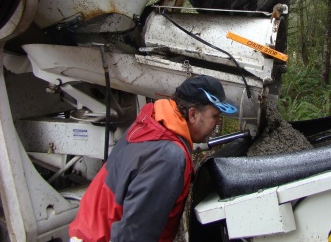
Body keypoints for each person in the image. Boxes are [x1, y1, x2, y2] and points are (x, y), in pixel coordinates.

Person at [69, 75, 237, 242]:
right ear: (192, 114)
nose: (217, 122)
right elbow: (136, 234)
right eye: (215, 116)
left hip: (88, 232)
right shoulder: (167, 158)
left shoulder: (151, 124)